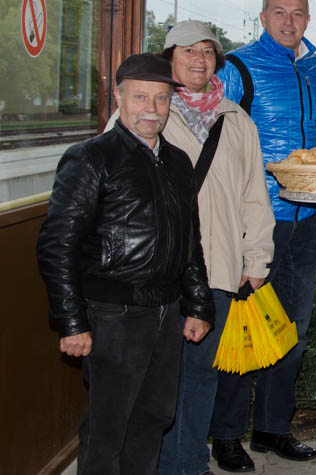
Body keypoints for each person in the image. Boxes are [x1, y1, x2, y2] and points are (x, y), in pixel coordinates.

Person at [103, 22, 275, 475]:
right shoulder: (147, 111)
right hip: (152, 275)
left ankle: (190, 463)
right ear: (169, 57)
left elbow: (255, 195)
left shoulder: (236, 119)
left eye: (208, 52)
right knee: (151, 382)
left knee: (200, 376)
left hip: (216, 270)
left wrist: (256, 259)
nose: (199, 59)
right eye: (187, 51)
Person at [36, 53, 214, 475]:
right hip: (112, 315)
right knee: (108, 428)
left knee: (154, 419)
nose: (151, 109)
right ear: (119, 97)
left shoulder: (177, 162)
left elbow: (190, 242)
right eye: (140, 98)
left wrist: (198, 305)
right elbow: (56, 245)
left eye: (161, 99)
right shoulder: (91, 158)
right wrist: (71, 321)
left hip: (167, 313)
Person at [212, 0, 316, 465]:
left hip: (311, 216)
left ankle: (272, 428)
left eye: (297, 13)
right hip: (256, 220)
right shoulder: (237, 67)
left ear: (308, 19)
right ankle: (225, 434)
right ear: (262, 17)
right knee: (242, 327)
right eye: (279, 12)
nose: (288, 21)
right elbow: (215, 139)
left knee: (292, 330)